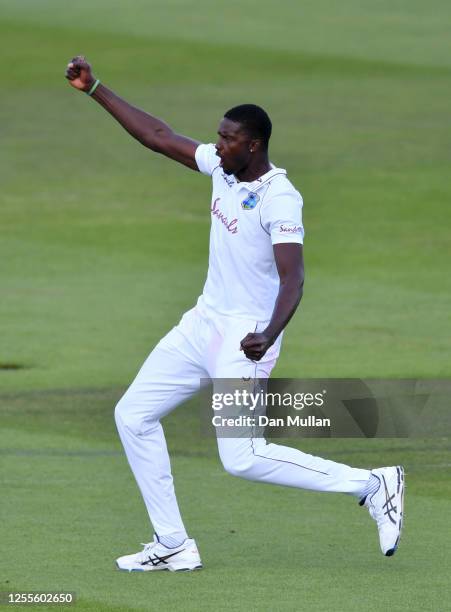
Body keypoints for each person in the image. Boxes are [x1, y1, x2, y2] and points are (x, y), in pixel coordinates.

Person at [65, 56, 404, 572]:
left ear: (254, 145)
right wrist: (96, 90)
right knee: (132, 416)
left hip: (245, 338)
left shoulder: (281, 199)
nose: (216, 145)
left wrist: (268, 334)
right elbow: (157, 136)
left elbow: (294, 279)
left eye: (226, 139)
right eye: (217, 137)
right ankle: (173, 542)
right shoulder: (223, 170)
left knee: (242, 458)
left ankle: (372, 484)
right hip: (201, 324)